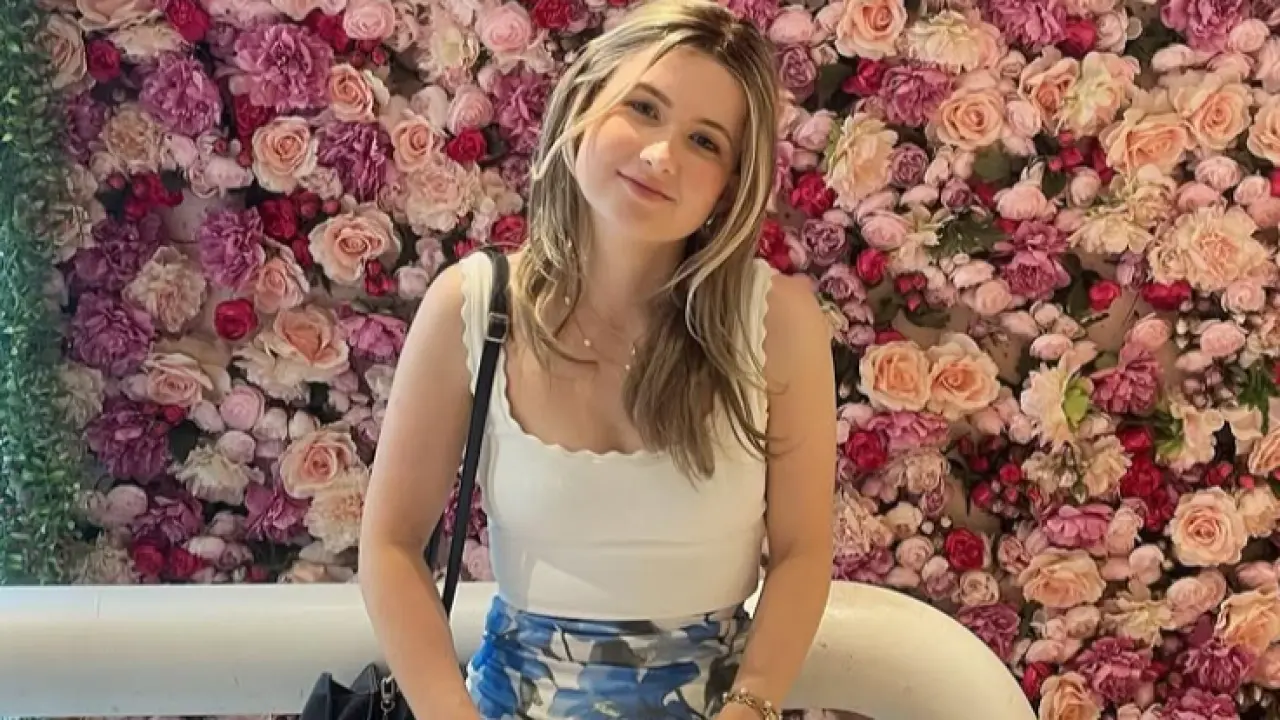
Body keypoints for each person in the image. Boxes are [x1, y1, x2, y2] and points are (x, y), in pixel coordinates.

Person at [359, 0, 836, 717]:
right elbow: (391, 546)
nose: (662, 155)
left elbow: (802, 552)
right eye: (643, 108)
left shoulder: (777, 323)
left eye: (704, 141)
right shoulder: (473, 307)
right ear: (583, 103)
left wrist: (752, 705)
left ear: (728, 187)